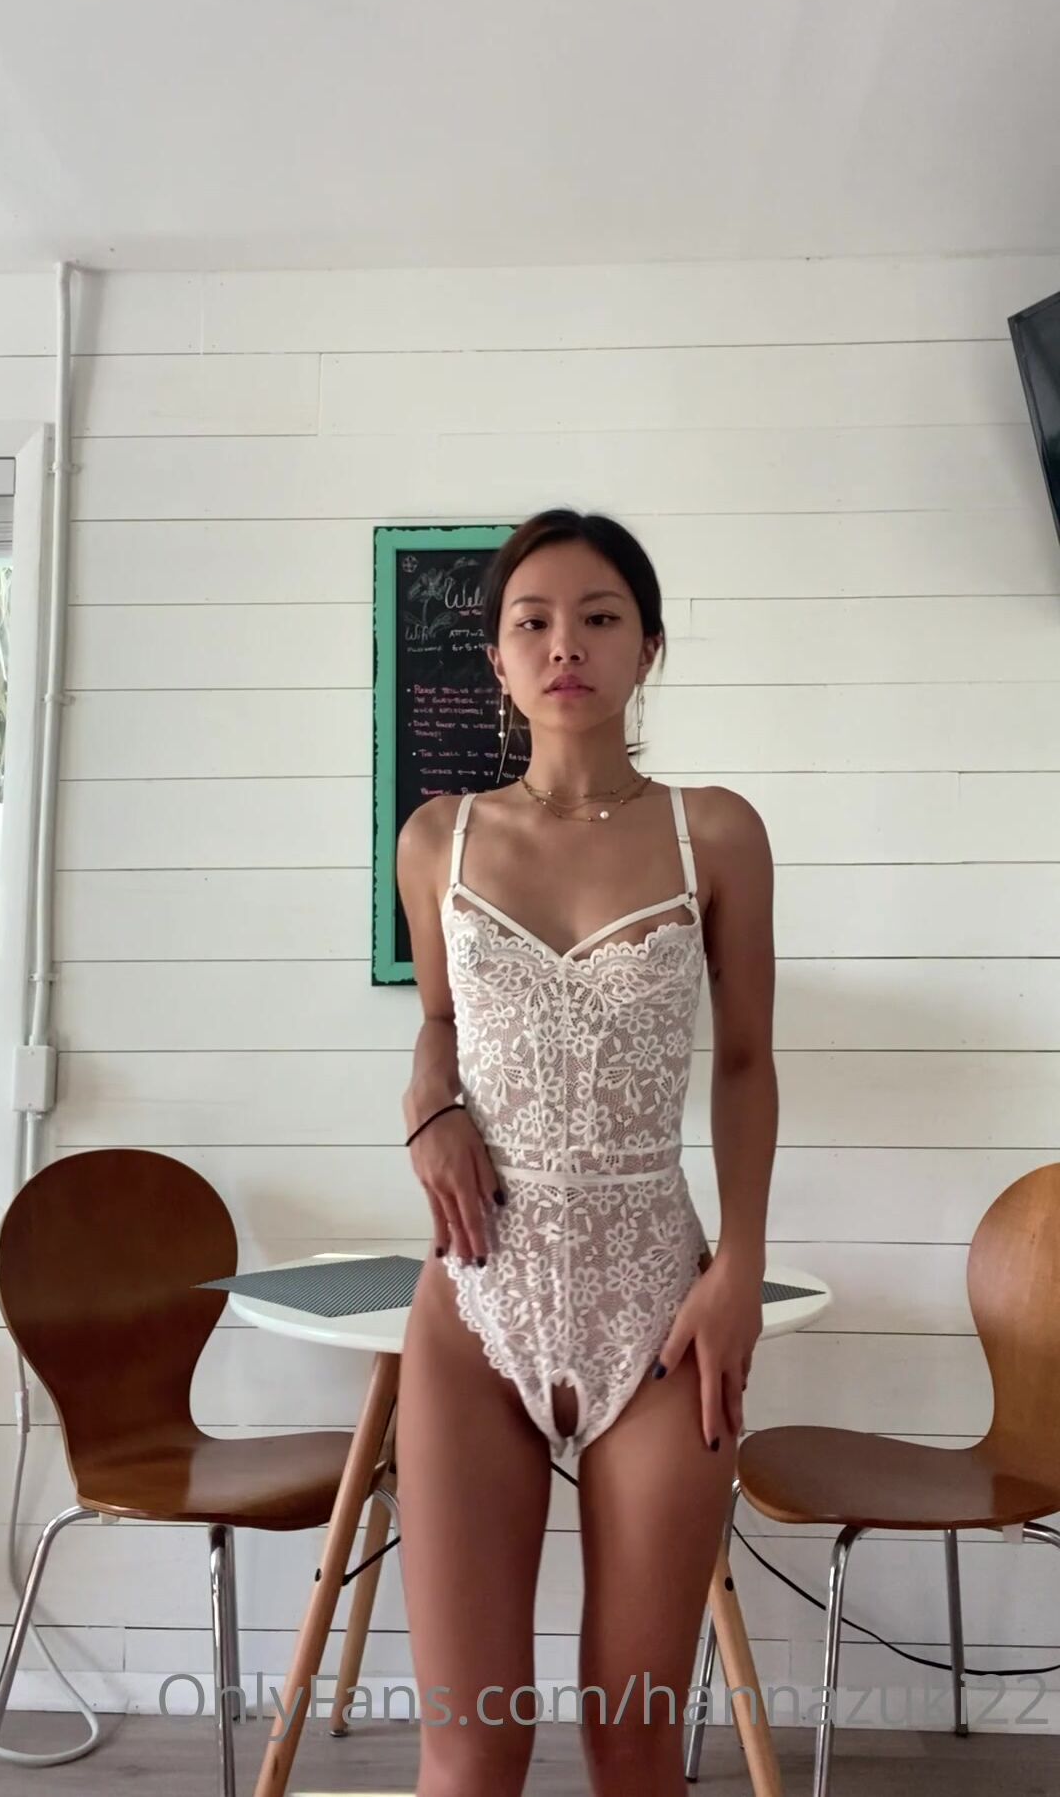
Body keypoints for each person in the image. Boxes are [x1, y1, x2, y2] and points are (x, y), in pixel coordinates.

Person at [394, 508, 778, 1797]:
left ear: (647, 647)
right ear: (499, 659)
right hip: (477, 1294)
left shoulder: (715, 833)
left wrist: (740, 1268)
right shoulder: (438, 839)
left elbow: (744, 1061)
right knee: (470, 1745)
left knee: (634, 1738)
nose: (567, 644)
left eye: (601, 617)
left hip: (660, 1300)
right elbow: (440, 1022)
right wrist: (428, 1104)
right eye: (535, 621)